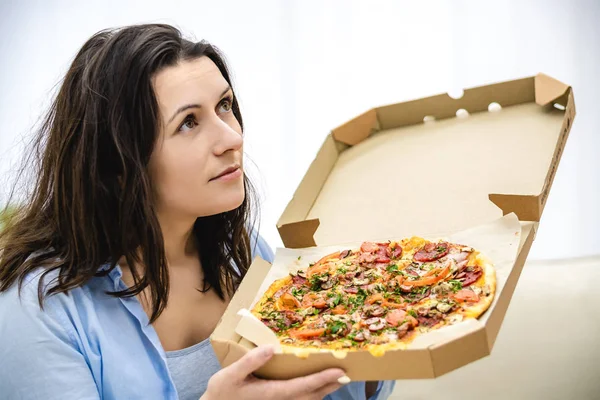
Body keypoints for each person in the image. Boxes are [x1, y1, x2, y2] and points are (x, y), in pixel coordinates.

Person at [0, 24, 395, 399]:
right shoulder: (36, 313)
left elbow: (324, 389)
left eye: (224, 105)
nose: (232, 137)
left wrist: (375, 320)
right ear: (117, 165)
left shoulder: (243, 254)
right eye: (188, 123)